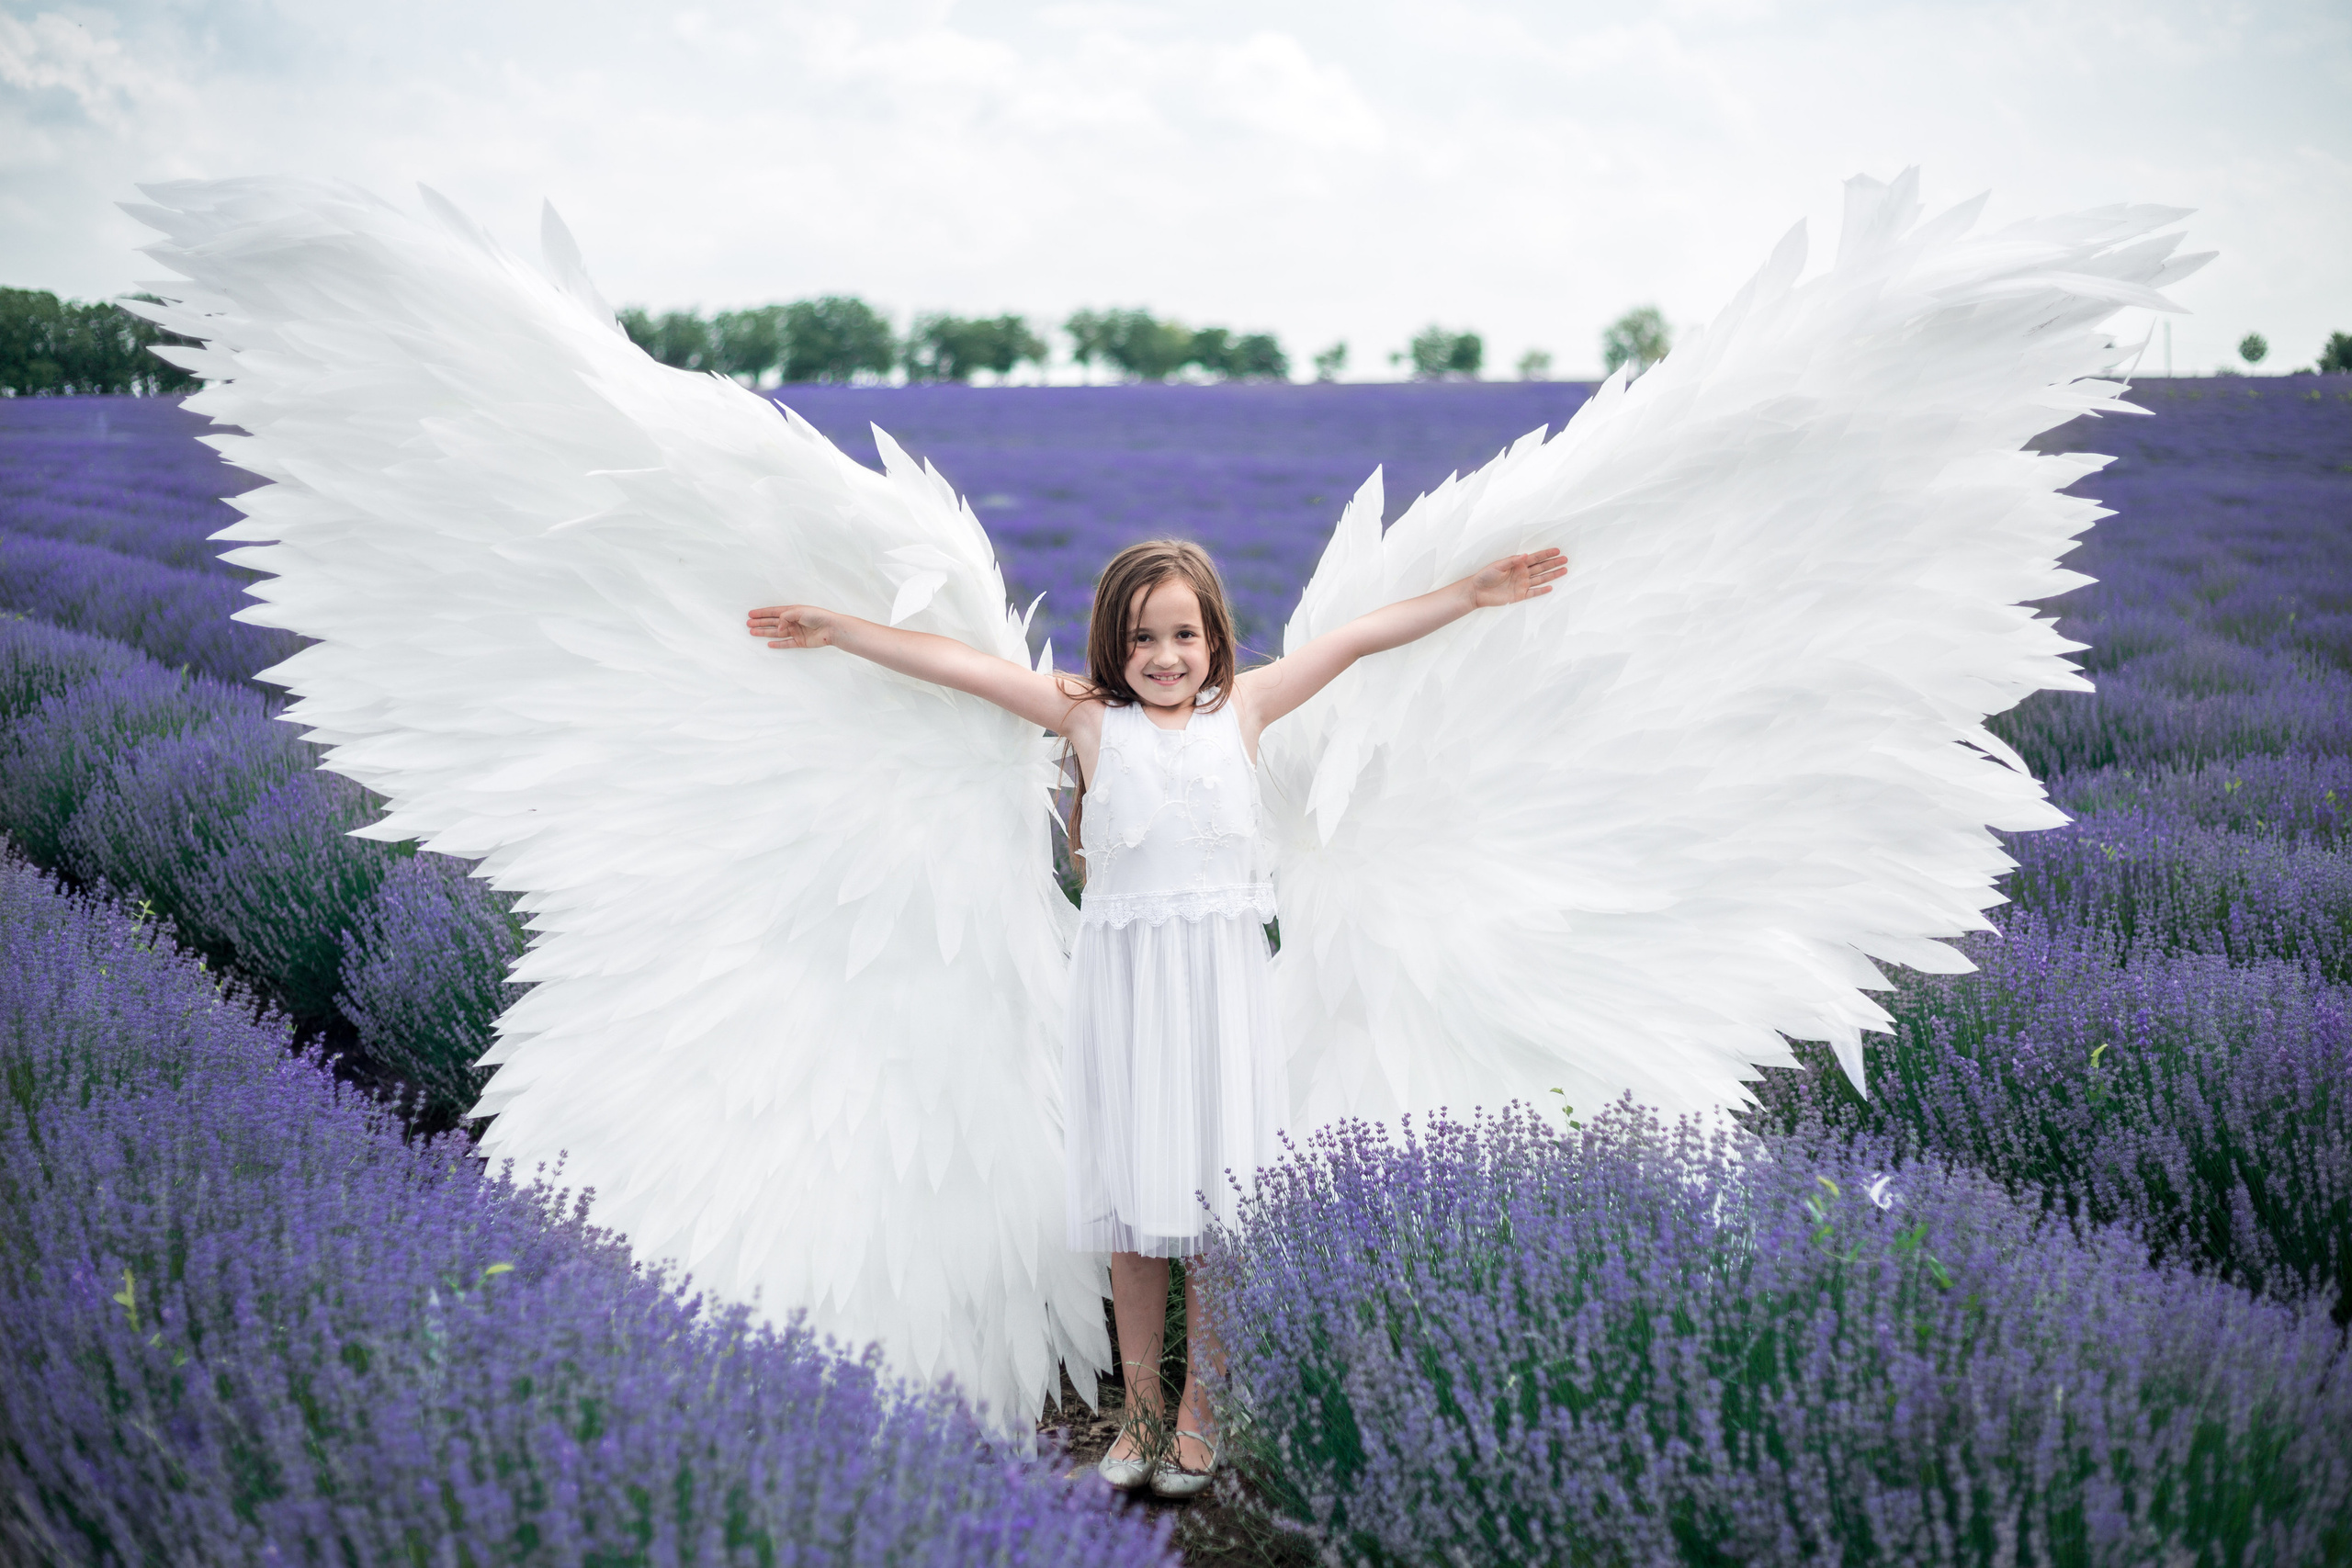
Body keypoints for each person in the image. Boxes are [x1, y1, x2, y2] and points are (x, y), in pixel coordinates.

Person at [748, 536, 1566, 1495]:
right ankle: (1137, 1409)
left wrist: (1470, 593)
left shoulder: (1243, 710)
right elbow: (961, 667)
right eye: (1143, 638)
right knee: (1133, 1207)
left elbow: (1352, 642)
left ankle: (1201, 1407)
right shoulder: (1088, 719)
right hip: (1126, 987)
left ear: (1216, 639)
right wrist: (838, 629)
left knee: (1216, 1202)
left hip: (1220, 990)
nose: (1165, 656)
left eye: (1184, 634)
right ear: (1113, 645)